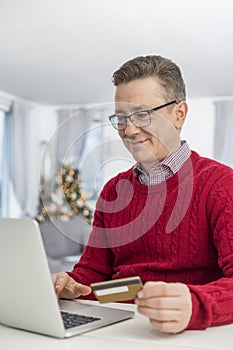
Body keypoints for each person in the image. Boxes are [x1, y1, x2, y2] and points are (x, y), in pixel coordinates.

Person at [52, 55, 233, 334]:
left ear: (179, 114)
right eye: (121, 118)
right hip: (117, 328)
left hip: (188, 333)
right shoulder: (113, 190)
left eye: (142, 115)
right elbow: (94, 277)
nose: (129, 130)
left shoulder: (222, 185)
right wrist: (69, 285)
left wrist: (197, 305)